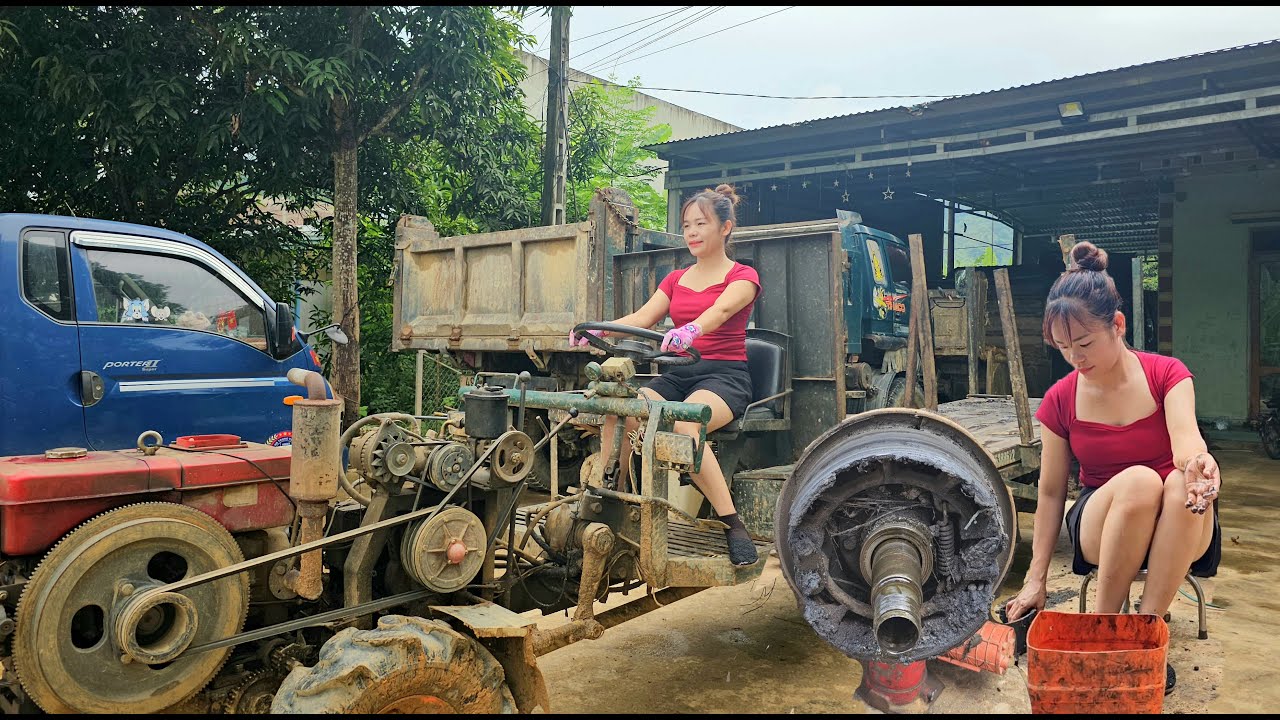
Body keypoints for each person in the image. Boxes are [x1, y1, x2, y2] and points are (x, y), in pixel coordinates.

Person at [1003, 241, 1221, 695]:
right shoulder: (1060, 399)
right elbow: (1050, 493)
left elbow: (1186, 441)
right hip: (1101, 520)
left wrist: (1198, 463)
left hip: (1180, 521)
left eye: (1084, 343)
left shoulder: (1167, 374)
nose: (1075, 358)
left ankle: (1142, 638)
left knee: (1175, 482)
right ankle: (1102, 632)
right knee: (1141, 481)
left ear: (1117, 325)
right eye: (1064, 348)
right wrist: (1034, 578)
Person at [569, 183, 761, 566]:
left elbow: (722, 311)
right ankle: (612, 499)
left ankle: (732, 523)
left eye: (701, 223)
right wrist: (598, 330)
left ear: (725, 227)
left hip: (724, 378)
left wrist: (692, 329)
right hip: (678, 373)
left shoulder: (743, 276)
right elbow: (642, 317)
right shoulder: (675, 279)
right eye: (687, 225)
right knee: (620, 411)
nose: (691, 232)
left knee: (687, 424)